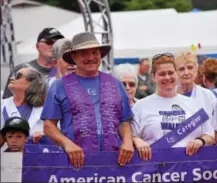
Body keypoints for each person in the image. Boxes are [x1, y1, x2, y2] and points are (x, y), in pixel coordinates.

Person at [41, 32, 134, 168]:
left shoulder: (115, 83)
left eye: (95, 52)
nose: (91, 57)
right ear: (74, 57)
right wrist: (68, 144)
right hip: (76, 163)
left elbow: (124, 120)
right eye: (84, 53)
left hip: (114, 161)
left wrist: (127, 141)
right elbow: (48, 126)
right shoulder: (59, 85)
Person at [131, 53, 215, 160]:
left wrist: (200, 141)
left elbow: (210, 134)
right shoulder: (140, 107)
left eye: (171, 73)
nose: (167, 77)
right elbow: (129, 136)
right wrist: (136, 140)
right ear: (153, 77)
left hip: (190, 170)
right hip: (156, 172)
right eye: (162, 74)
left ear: (176, 74)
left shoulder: (194, 104)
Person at [2, 28, 64, 98]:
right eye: (49, 42)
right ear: (37, 46)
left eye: (58, 43)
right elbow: (7, 102)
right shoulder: (21, 69)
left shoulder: (66, 69)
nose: (54, 46)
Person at [1, 67, 47, 147]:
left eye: (18, 76)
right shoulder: (2, 105)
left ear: (32, 83)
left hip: (35, 156)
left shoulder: (45, 109)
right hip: (5, 158)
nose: (12, 78)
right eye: (12, 75)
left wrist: (45, 134)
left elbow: (58, 133)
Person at [175, 52, 216, 118]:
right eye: (181, 69)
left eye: (190, 68)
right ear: (175, 72)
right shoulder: (168, 97)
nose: (186, 72)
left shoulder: (207, 96)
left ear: (196, 69)